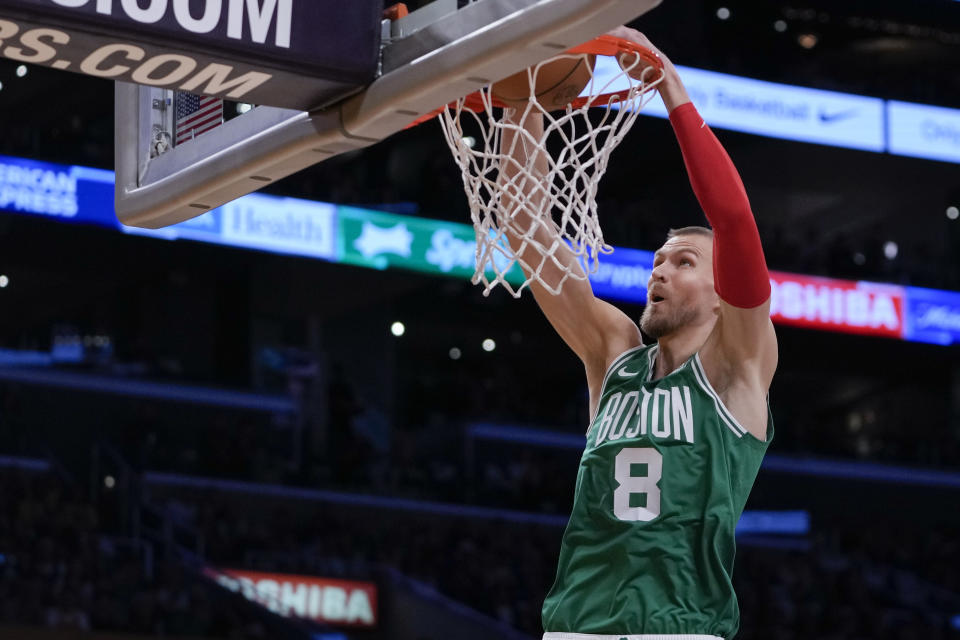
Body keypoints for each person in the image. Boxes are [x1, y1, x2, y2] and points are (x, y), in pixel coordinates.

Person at [497, 29, 778, 640]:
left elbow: (732, 220)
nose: (659, 270)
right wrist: (524, 95)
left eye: (682, 262)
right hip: (575, 625)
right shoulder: (614, 354)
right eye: (657, 260)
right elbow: (525, 226)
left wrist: (671, 88)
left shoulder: (738, 366)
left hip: (678, 628)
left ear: (720, 294)